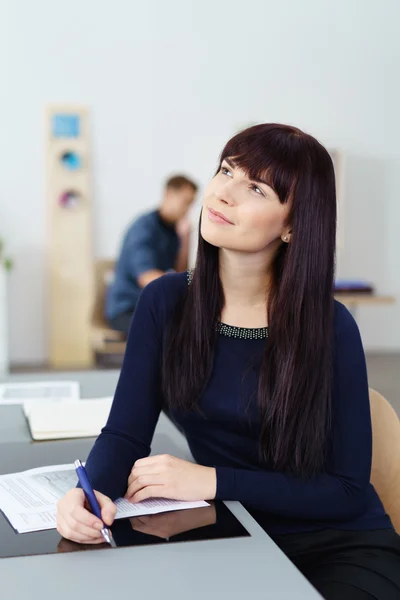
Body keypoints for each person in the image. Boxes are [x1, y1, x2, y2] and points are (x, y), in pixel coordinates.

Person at [57, 124, 400, 599]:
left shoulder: (331, 326)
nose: (224, 193)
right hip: (230, 532)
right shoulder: (164, 302)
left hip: (339, 545)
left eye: (256, 187)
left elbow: (345, 490)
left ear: (293, 225)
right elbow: (125, 434)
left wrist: (210, 479)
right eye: (226, 171)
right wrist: (86, 493)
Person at [105, 175, 197, 335]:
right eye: (185, 202)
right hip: (127, 308)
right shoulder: (144, 228)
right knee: (175, 330)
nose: (187, 210)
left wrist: (185, 240)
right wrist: (187, 288)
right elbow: (146, 278)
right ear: (168, 194)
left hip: (151, 306)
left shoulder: (173, 231)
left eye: (190, 204)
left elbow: (178, 272)